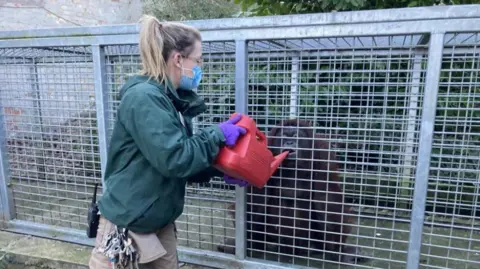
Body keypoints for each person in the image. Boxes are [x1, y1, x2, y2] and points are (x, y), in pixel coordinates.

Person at [88, 14, 248, 269]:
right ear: (177, 59)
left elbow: (174, 161)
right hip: (126, 225)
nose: (200, 67)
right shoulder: (144, 98)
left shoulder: (168, 100)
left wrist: (218, 167)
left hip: (158, 222)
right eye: (198, 60)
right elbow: (175, 158)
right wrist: (216, 135)